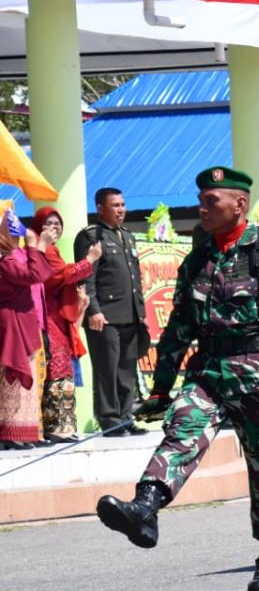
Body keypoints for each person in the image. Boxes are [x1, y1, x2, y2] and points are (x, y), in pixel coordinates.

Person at [96, 167, 259, 591]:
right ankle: (146, 507)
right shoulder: (197, 259)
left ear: (239, 204)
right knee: (182, 430)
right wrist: (161, 387)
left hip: (257, 373)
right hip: (209, 370)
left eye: (212, 200)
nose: (202, 208)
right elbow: (178, 327)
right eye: (202, 200)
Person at [74, 187, 147, 436]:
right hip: (104, 316)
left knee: (127, 370)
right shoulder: (90, 236)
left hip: (130, 314)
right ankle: (109, 420)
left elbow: (135, 277)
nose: (121, 210)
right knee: (107, 369)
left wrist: (141, 311)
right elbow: (86, 277)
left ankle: (126, 417)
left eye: (123, 205)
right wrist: (93, 310)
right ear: (100, 208)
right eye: (115, 205)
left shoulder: (127, 236)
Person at [32, 207, 102, 442]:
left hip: (57, 318)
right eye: (48, 223)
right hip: (47, 317)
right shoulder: (44, 251)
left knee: (62, 369)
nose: (55, 227)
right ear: (38, 226)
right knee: (56, 368)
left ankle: (63, 427)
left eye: (58, 223)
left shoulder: (53, 250)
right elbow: (58, 276)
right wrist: (88, 260)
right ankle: (55, 428)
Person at [0, 218, 54, 449]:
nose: (17, 239)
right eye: (13, 234)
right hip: (12, 324)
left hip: (19, 322)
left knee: (22, 385)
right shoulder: (5, 261)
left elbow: (39, 273)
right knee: (12, 381)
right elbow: (35, 275)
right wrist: (34, 246)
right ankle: (10, 434)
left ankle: (21, 433)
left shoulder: (9, 259)